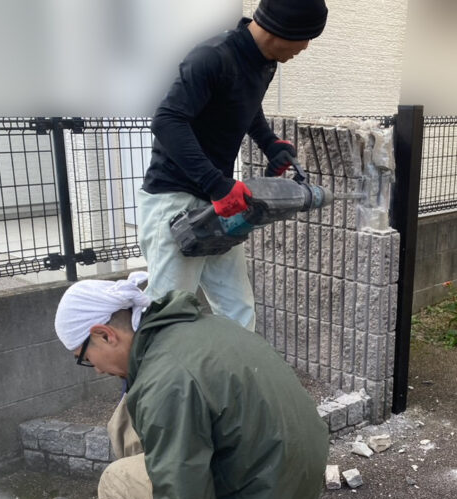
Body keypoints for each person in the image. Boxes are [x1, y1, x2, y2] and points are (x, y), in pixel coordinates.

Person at [50, 272, 329, 499]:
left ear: (105, 335)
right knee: (125, 418)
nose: (94, 368)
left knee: (114, 485)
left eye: (83, 358)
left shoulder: (166, 382)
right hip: (290, 478)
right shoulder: (193, 328)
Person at [137, 0, 328, 330]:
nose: (307, 47)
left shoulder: (263, 62)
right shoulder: (213, 57)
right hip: (176, 201)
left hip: (218, 205)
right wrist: (217, 184)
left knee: (237, 309)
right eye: (306, 38)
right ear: (281, 29)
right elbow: (167, 121)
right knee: (168, 314)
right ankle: (148, 381)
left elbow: (247, 105)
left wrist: (270, 143)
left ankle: (241, 378)